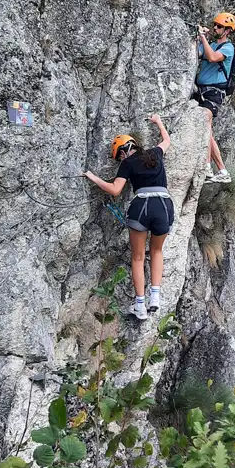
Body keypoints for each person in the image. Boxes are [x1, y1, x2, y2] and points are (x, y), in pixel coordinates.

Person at [84, 115, 173, 320]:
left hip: (142, 206)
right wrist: (158, 122)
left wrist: (94, 177)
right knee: (157, 250)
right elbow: (167, 140)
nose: (120, 160)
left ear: (123, 152)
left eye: (119, 157)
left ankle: (140, 305)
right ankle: (156, 297)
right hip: (164, 206)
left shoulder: (128, 164)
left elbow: (115, 190)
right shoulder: (155, 153)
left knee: (138, 257)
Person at [192, 12, 235, 184]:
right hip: (202, 91)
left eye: (219, 26)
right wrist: (199, 37)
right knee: (206, 130)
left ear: (227, 31)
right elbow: (200, 53)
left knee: (206, 127)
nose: (215, 28)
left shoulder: (228, 48)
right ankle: (214, 168)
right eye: (215, 25)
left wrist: (203, 37)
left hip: (214, 93)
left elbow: (211, 57)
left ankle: (213, 167)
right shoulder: (212, 44)